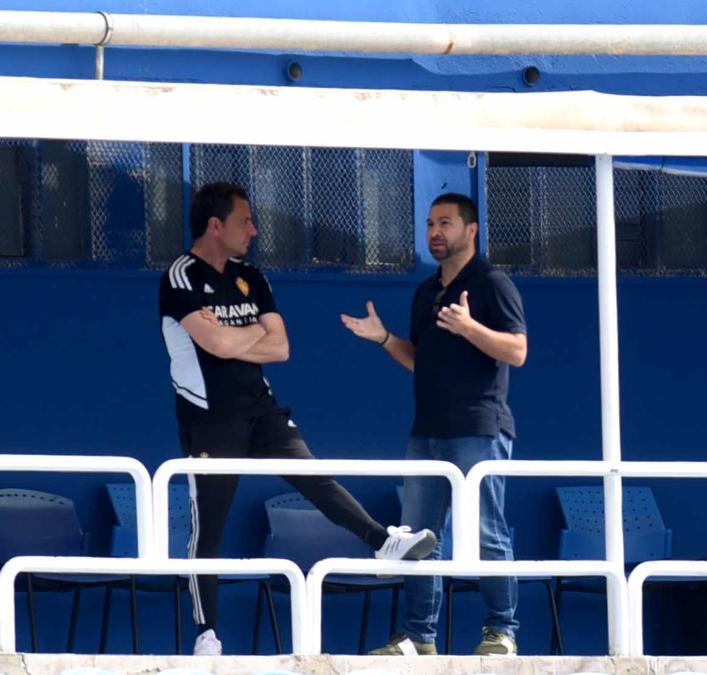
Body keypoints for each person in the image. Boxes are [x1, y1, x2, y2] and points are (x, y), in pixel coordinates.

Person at [158, 181, 437, 657]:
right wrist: (241, 337)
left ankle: (380, 541)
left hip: (261, 408)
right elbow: (221, 347)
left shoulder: (253, 276)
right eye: (245, 221)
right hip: (209, 417)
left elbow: (280, 347)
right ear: (214, 225)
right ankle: (207, 633)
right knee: (210, 525)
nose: (255, 230)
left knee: (313, 475)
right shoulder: (181, 276)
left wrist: (226, 334)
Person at [342, 192, 527, 657]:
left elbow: (517, 352)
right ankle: (418, 637)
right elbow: (420, 361)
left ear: (471, 230)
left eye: (445, 223)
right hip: (426, 431)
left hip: (479, 428)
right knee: (418, 537)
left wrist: (470, 328)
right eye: (429, 224)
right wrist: (384, 338)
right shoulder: (426, 292)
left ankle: (501, 631)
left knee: (487, 531)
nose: (434, 233)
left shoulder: (491, 282)